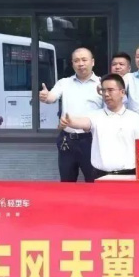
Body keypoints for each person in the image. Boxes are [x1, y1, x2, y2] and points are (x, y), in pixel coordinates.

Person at [60, 74, 139, 179]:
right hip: (100, 176)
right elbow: (84, 122)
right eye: (103, 90)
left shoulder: (135, 118)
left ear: (122, 92)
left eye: (110, 90)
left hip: (129, 176)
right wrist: (70, 121)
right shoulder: (95, 116)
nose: (106, 94)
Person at [39, 47, 103, 182]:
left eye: (84, 60)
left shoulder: (102, 84)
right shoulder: (64, 83)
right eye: (76, 61)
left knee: (94, 182)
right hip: (67, 141)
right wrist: (46, 96)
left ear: (92, 62)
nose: (81, 64)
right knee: (66, 183)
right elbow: (51, 97)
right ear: (72, 64)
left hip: (92, 141)